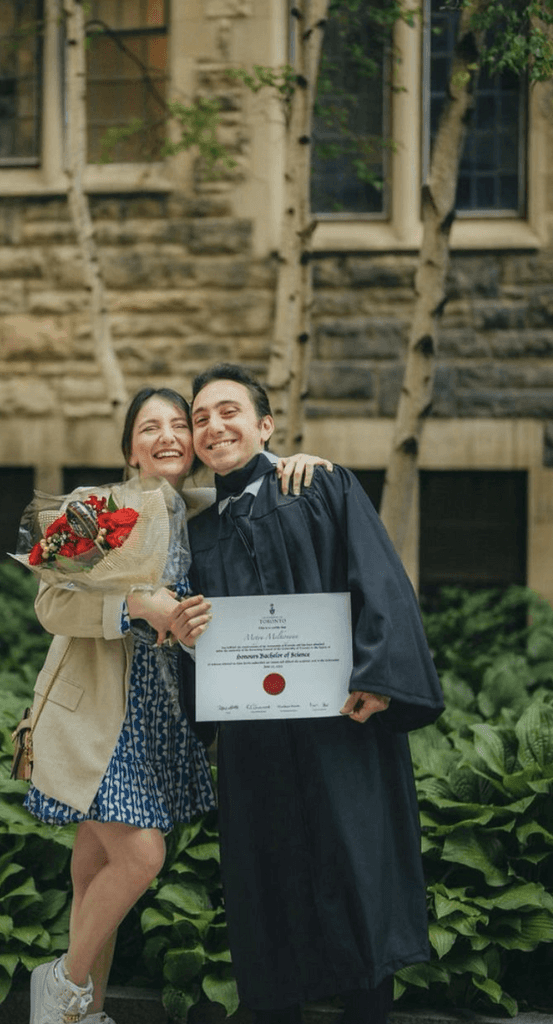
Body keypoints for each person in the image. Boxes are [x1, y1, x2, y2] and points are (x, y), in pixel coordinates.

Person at [23, 385, 330, 1024]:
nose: (166, 437)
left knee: (94, 872)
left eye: (176, 426)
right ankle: (62, 985)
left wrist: (295, 462)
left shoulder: (199, 512)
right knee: (141, 856)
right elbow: (51, 605)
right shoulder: (102, 508)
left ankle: (86, 1015)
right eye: (148, 428)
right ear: (130, 447)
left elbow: (252, 475)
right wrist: (135, 604)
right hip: (97, 718)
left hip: (161, 720)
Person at [170, 364, 445, 1024]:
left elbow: (379, 579)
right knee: (266, 894)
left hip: (339, 729)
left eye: (228, 411)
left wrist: (379, 679)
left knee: (354, 880)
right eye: (200, 417)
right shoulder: (198, 533)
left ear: (265, 425)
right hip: (256, 745)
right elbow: (200, 648)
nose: (213, 426)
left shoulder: (319, 486)